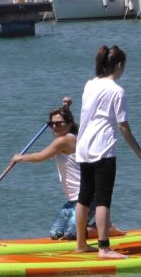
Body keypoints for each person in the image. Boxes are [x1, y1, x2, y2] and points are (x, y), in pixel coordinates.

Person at [75, 45, 141, 258]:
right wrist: (139, 151)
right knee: (103, 198)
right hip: (103, 149)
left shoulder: (90, 84)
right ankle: (104, 248)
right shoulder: (117, 91)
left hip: (83, 146)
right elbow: (122, 126)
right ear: (119, 65)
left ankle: (81, 244)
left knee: (84, 196)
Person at [10, 102, 92, 240]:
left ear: (69, 123)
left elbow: (41, 157)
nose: (54, 127)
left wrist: (20, 158)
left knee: (72, 235)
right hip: (73, 199)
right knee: (56, 234)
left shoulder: (63, 141)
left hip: (86, 198)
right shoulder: (67, 137)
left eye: (58, 124)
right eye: (51, 124)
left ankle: (105, 228)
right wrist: (66, 108)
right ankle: (87, 227)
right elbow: (66, 121)